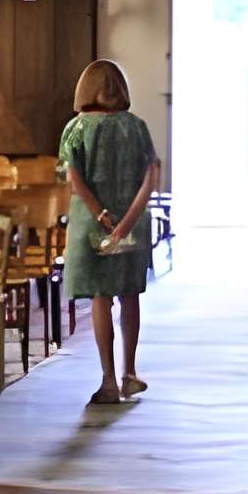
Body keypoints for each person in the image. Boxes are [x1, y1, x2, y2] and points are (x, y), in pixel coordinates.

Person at [57, 57, 162, 407]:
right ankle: (130, 373)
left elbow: (73, 177)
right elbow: (151, 173)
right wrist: (130, 217)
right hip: (132, 222)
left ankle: (108, 380)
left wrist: (100, 214)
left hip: (93, 224)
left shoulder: (76, 128)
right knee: (129, 295)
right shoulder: (137, 127)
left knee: (102, 298)